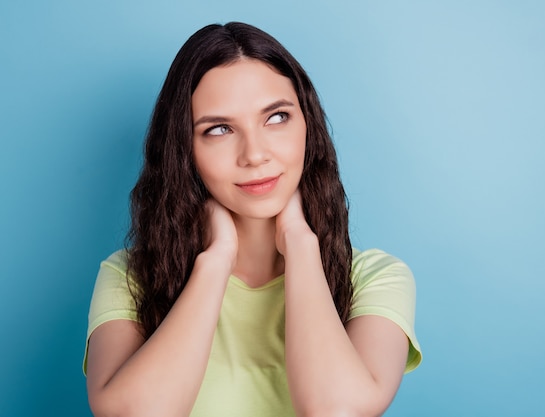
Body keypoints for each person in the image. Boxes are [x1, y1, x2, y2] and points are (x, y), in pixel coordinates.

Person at [84, 21, 421, 417]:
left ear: (308, 126)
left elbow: (335, 411)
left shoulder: (377, 278)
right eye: (220, 129)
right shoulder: (130, 276)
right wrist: (216, 259)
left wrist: (300, 244)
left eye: (276, 117)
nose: (255, 154)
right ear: (183, 150)